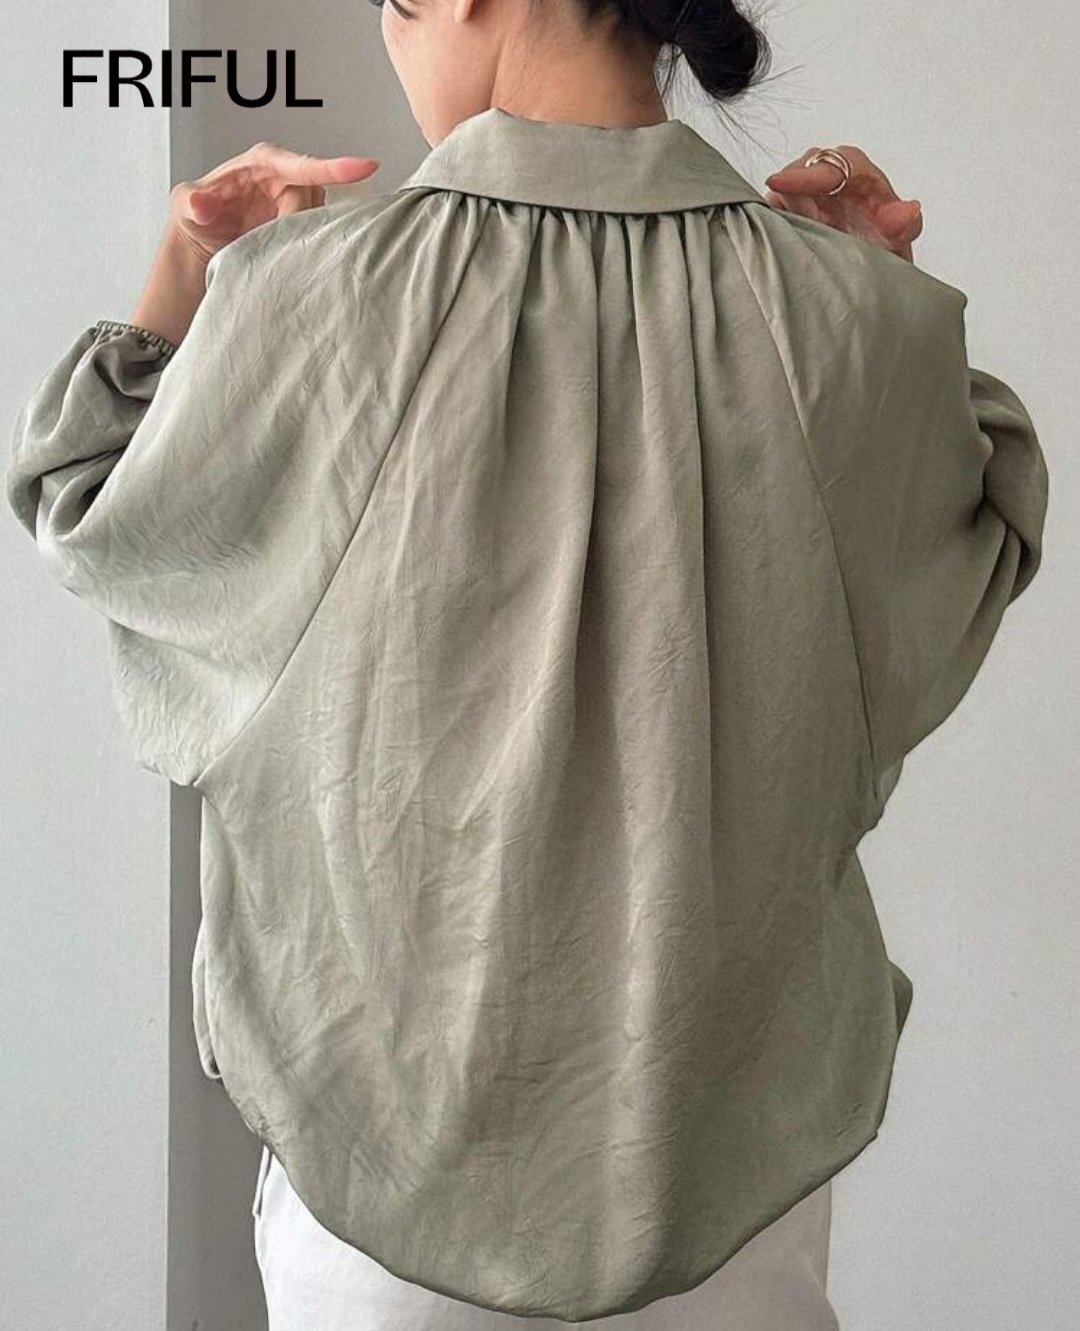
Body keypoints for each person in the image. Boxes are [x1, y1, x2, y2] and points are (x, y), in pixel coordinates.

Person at [7, 0, 1049, 1326]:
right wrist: (885, 307)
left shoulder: (308, 296)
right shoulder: (838, 313)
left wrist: (189, 269)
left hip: (380, 1200)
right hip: (733, 1206)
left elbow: (93, 512)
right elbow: (979, 528)